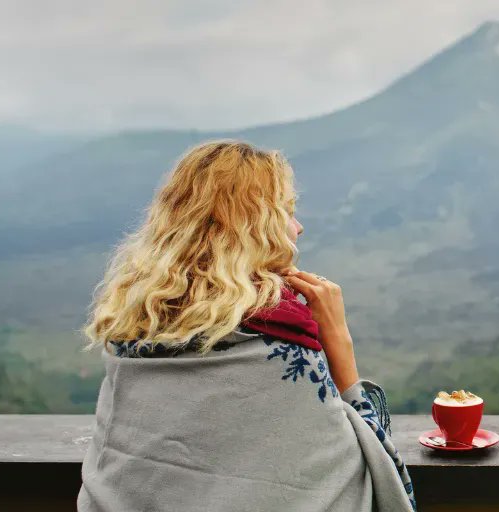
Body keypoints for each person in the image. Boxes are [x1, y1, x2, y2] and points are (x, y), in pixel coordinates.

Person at [77, 141, 415, 511]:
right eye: (286, 212)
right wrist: (338, 341)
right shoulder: (280, 337)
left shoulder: (137, 321)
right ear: (254, 228)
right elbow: (371, 468)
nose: (298, 228)